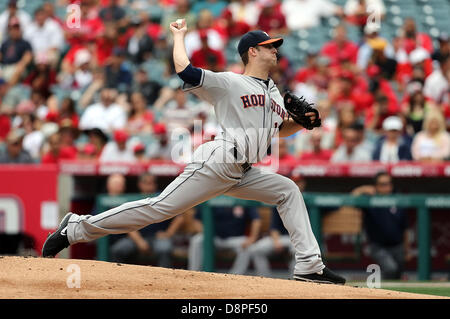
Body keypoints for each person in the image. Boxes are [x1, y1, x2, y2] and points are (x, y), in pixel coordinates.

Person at [42, 20, 345, 285]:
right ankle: (76, 228)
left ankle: (309, 265)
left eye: (275, 46)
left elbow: (277, 131)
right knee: (158, 208)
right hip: (218, 161)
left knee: (287, 190)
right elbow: (185, 72)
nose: (275, 50)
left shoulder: (275, 92)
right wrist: (178, 36)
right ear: (253, 51)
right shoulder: (229, 82)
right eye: (269, 46)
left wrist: (302, 124)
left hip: (244, 171)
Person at [110, 173, 184, 267]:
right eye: (146, 183)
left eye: (152, 183)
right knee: (118, 249)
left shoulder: (161, 197)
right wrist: (139, 241)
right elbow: (127, 222)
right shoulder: (133, 199)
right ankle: (119, 278)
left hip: (158, 237)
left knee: (164, 249)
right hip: (138, 238)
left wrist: (168, 233)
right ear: (140, 184)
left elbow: (179, 217)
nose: (149, 186)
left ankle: (163, 279)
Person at [351, 171, 409, 279]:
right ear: (376, 186)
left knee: (398, 274)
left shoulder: (398, 199)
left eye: (389, 184)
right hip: (378, 246)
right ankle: (383, 294)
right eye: (383, 184)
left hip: (398, 246)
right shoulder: (369, 200)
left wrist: (407, 249)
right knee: (391, 268)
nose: (387, 187)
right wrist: (363, 189)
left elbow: (405, 227)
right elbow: (352, 199)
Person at [188, 205, 261, 274]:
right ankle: (193, 273)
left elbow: (256, 220)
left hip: (236, 238)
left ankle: (235, 277)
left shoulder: (242, 195)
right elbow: (197, 220)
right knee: (197, 240)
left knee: (248, 245)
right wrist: (206, 233)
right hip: (213, 237)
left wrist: (252, 238)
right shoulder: (212, 194)